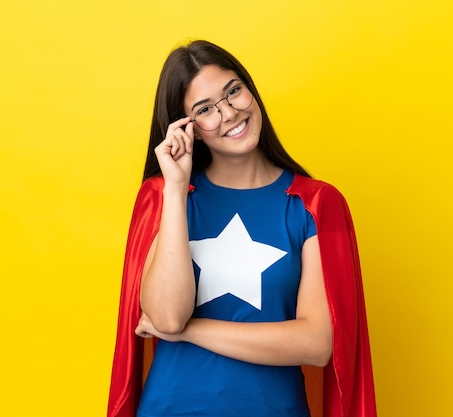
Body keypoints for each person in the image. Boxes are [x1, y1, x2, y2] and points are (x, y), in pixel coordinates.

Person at [108, 40, 377, 417]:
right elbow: (167, 316)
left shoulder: (315, 203)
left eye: (233, 92)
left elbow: (317, 343)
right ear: (190, 129)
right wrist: (174, 188)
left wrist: (189, 332)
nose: (229, 114)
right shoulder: (165, 197)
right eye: (205, 110)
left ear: (250, 90)